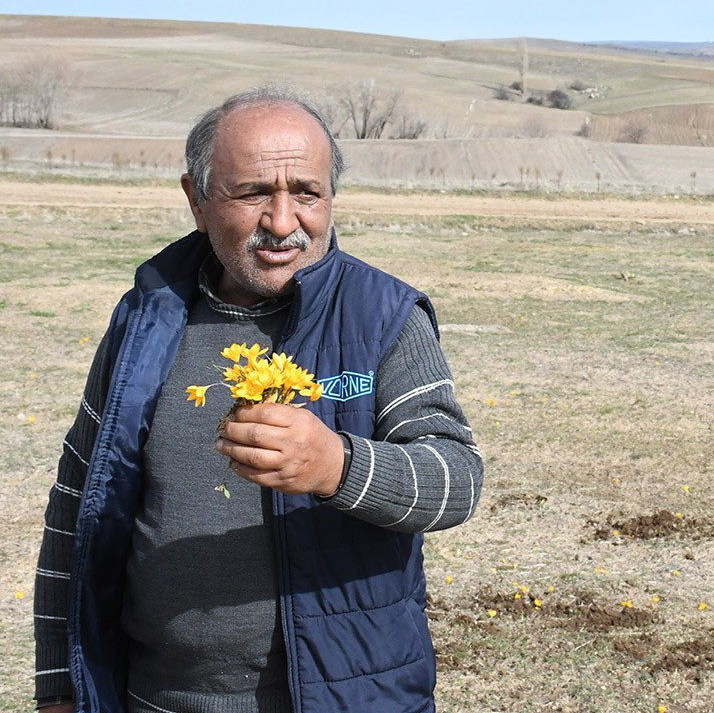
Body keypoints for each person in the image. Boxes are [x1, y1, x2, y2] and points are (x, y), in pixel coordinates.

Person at [33, 86, 484, 713]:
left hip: (342, 696)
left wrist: (339, 467)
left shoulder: (382, 317)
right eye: (252, 194)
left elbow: (455, 479)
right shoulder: (147, 320)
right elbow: (77, 506)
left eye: (306, 193)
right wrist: (60, 684)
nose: (281, 221)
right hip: (154, 698)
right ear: (196, 199)